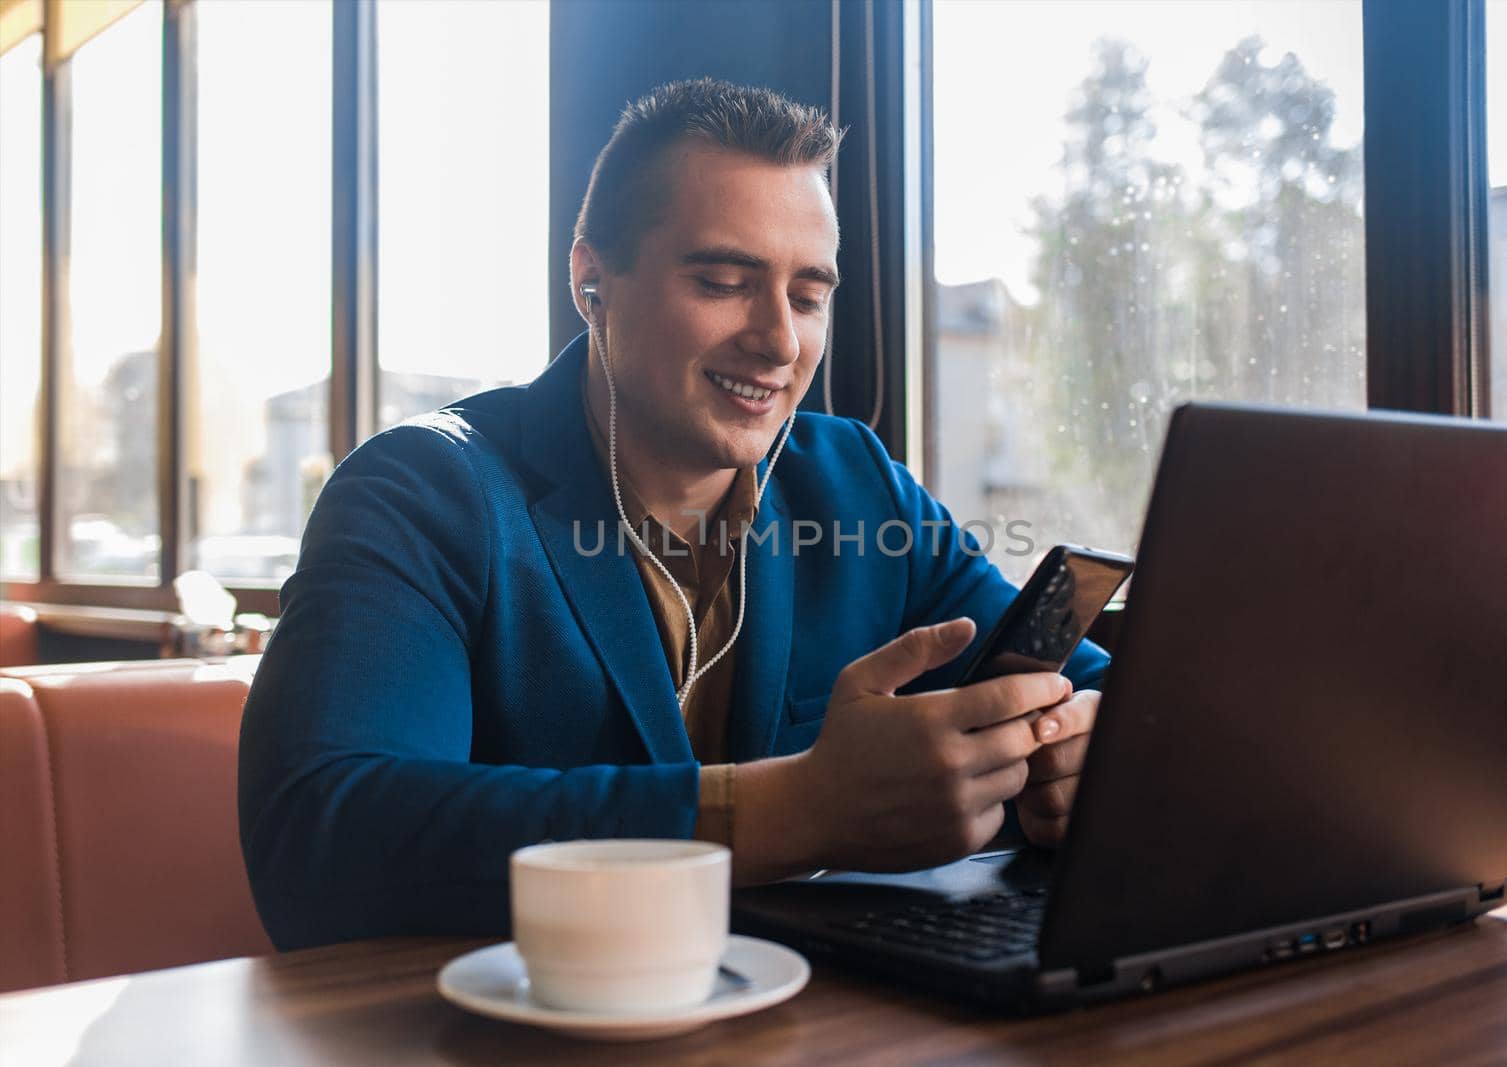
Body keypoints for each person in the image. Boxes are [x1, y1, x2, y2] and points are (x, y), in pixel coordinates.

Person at [238, 79, 1107, 951]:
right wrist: (798, 809)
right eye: (725, 282)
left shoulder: (856, 481)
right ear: (591, 281)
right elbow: (326, 838)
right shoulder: (425, 491)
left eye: (808, 297)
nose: (779, 340)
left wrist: (1079, 754)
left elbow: (1099, 686)